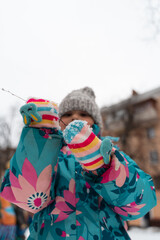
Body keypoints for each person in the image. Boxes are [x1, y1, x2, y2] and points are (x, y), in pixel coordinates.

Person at [0, 87, 157, 240]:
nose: (75, 117)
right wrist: (39, 139)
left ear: (95, 122)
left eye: (83, 113)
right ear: (57, 121)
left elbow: (138, 203)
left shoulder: (114, 157)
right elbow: (26, 197)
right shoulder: (54, 159)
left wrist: (103, 165)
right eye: (67, 114)